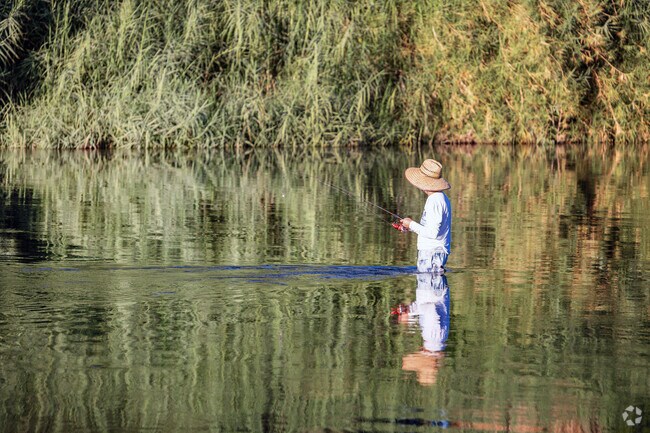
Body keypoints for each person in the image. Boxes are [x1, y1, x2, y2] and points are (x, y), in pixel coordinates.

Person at [400, 159, 452, 273]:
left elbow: (432, 233)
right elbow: (430, 229)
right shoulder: (439, 198)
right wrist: (410, 227)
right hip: (432, 254)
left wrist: (411, 224)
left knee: (429, 288)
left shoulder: (435, 201)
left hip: (432, 254)